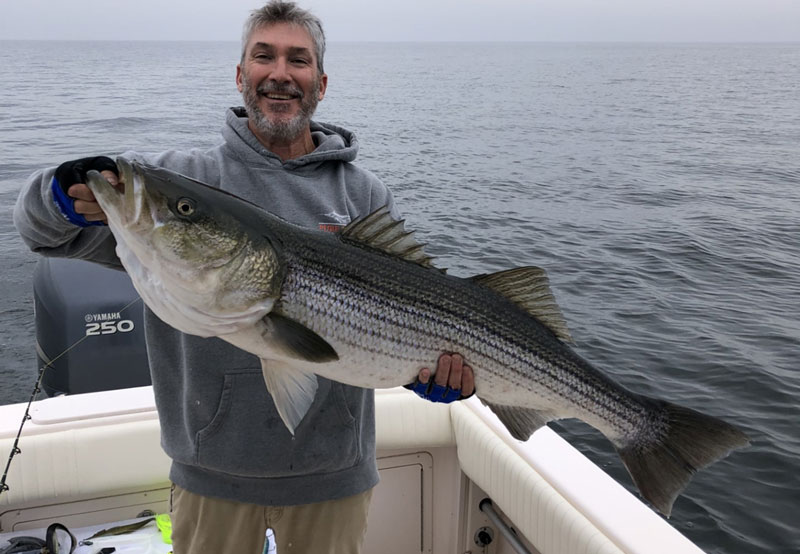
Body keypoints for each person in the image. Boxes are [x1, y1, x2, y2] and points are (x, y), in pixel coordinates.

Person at [14, 2, 475, 553]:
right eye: (264, 56)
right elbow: (42, 232)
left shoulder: (363, 194)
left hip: (334, 478)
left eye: (297, 60)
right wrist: (59, 192)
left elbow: (410, 312)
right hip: (210, 476)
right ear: (241, 76)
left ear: (320, 83)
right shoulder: (182, 183)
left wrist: (431, 369)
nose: (280, 73)